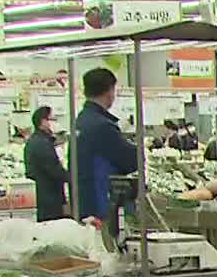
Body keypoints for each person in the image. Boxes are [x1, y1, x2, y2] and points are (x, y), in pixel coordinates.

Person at [73, 67, 140, 222]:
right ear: (110, 91)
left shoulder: (81, 121)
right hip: (102, 203)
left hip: (84, 200)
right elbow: (131, 160)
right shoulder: (102, 126)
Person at [24, 106, 69, 222]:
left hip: (47, 195)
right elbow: (54, 169)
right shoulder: (41, 143)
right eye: (52, 119)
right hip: (49, 197)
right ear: (43, 121)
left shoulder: (40, 140)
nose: (54, 123)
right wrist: (72, 178)